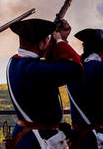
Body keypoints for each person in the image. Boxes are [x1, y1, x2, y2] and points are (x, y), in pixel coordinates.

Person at [6, 18, 83, 148]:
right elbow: (76, 70)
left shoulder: (14, 62)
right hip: (40, 140)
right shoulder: (34, 69)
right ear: (41, 44)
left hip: (28, 137)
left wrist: (60, 40)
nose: (48, 43)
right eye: (47, 40)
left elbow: (52, 66)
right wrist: (59, 41)